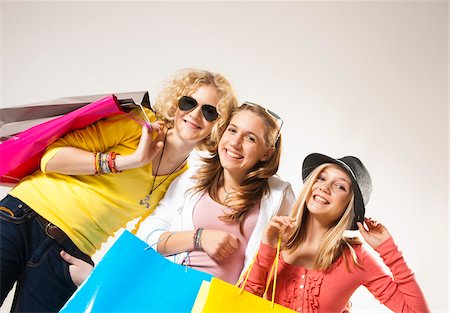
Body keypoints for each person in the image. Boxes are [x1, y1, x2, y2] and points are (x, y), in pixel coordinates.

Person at [0, 69, 238, 312]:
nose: (195, 114)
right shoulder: (138, 125)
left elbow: (143, 237)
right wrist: (130, 161)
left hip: (68, 254)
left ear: (218, 125)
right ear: (176, 104)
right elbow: (51, 159)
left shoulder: (182, 179)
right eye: (188, 103)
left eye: (209, 112)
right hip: (22, 217)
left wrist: (99, 276)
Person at [243, 153, 430, 313]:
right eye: (321, 178)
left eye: (340, 186)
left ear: (349, 204)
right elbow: (243, 306)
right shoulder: (277, 239)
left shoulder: (356, 259)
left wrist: (389, 250)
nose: (324, 187)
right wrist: (267, 247)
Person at [135, 102, 296, 284]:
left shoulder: (278, 196)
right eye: (232, 130)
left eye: (250, 138)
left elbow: (287, 265)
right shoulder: (192, 178)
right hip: (168, 291)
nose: (235, 143)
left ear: (266, 153)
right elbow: (145, 239)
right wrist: (199, 237)